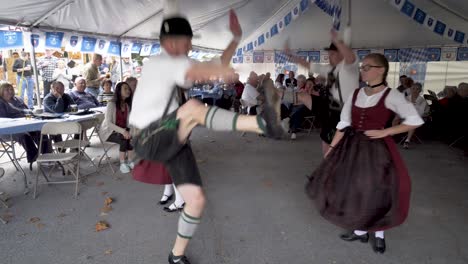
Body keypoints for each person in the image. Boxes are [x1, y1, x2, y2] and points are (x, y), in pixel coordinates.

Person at [129, 8, 282, 264]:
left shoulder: (173, 62)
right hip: (149, 138)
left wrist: (235, 41)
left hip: (172, 138)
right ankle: (261, 123)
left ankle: (175, 256)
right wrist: (223, 73)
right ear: (174, 42)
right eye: (188, 43)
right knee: (191, 109)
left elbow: (212, 67)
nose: (190, 48)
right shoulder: (160, 62)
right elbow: (203, 71)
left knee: (196, 200)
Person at [306, 53, 423, 254]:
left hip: (378, 149)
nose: (362, 70)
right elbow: (343, 124)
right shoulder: (355, 93)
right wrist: (332, 149)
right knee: (354, 188)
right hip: (352, 147)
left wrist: (385, 131)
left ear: (381, 70)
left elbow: (414, 120)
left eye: (367, 67)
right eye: (362, 67)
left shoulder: (392, 94)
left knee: (379, 189)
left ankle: (379, 234)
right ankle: (360, 231)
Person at [287, 29, 359, 155]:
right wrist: (291, 56)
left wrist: (337, 40)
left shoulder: (349, 68)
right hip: (329, 109)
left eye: (331, 54)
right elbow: (310, 65)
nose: (328, 57)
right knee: (326, 145)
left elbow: (351, 57)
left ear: (340, 54)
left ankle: (335, 169)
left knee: (336, 151)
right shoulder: (329, 69)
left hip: (344, 113)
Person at [0, 82, 45, 169]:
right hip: (8, 130)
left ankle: (47, 155)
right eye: (6, 90)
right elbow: (2, 119)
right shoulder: (1, 102)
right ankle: (34, 157)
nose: (9, 91)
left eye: (11, 89)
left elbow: (28, 111)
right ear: (1, 91)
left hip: (25, 124)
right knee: (24, 135)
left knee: (40, 131)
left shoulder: (18, 99)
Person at [100, 82, 135, 173]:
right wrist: (123, 131)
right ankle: (122, 163)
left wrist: (130, 131)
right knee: (124, 138)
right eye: (125, 89)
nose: (128, 91)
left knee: (131, 136)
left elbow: (128, 123)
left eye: (128, 89)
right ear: (119, 91)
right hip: (109, 131)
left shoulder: (126, 105)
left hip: (121, 130)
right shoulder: (111, 104)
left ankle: (130, 161)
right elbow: (108, 123)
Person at [403, 82, 428, 149]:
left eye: (417, 89)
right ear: (410, 89)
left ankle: (407, 140)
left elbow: (421, 112)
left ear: (420, 91)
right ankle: (394, 136)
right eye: (413, 88)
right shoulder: (406, 98)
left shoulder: (422, 100)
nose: (415, 90)